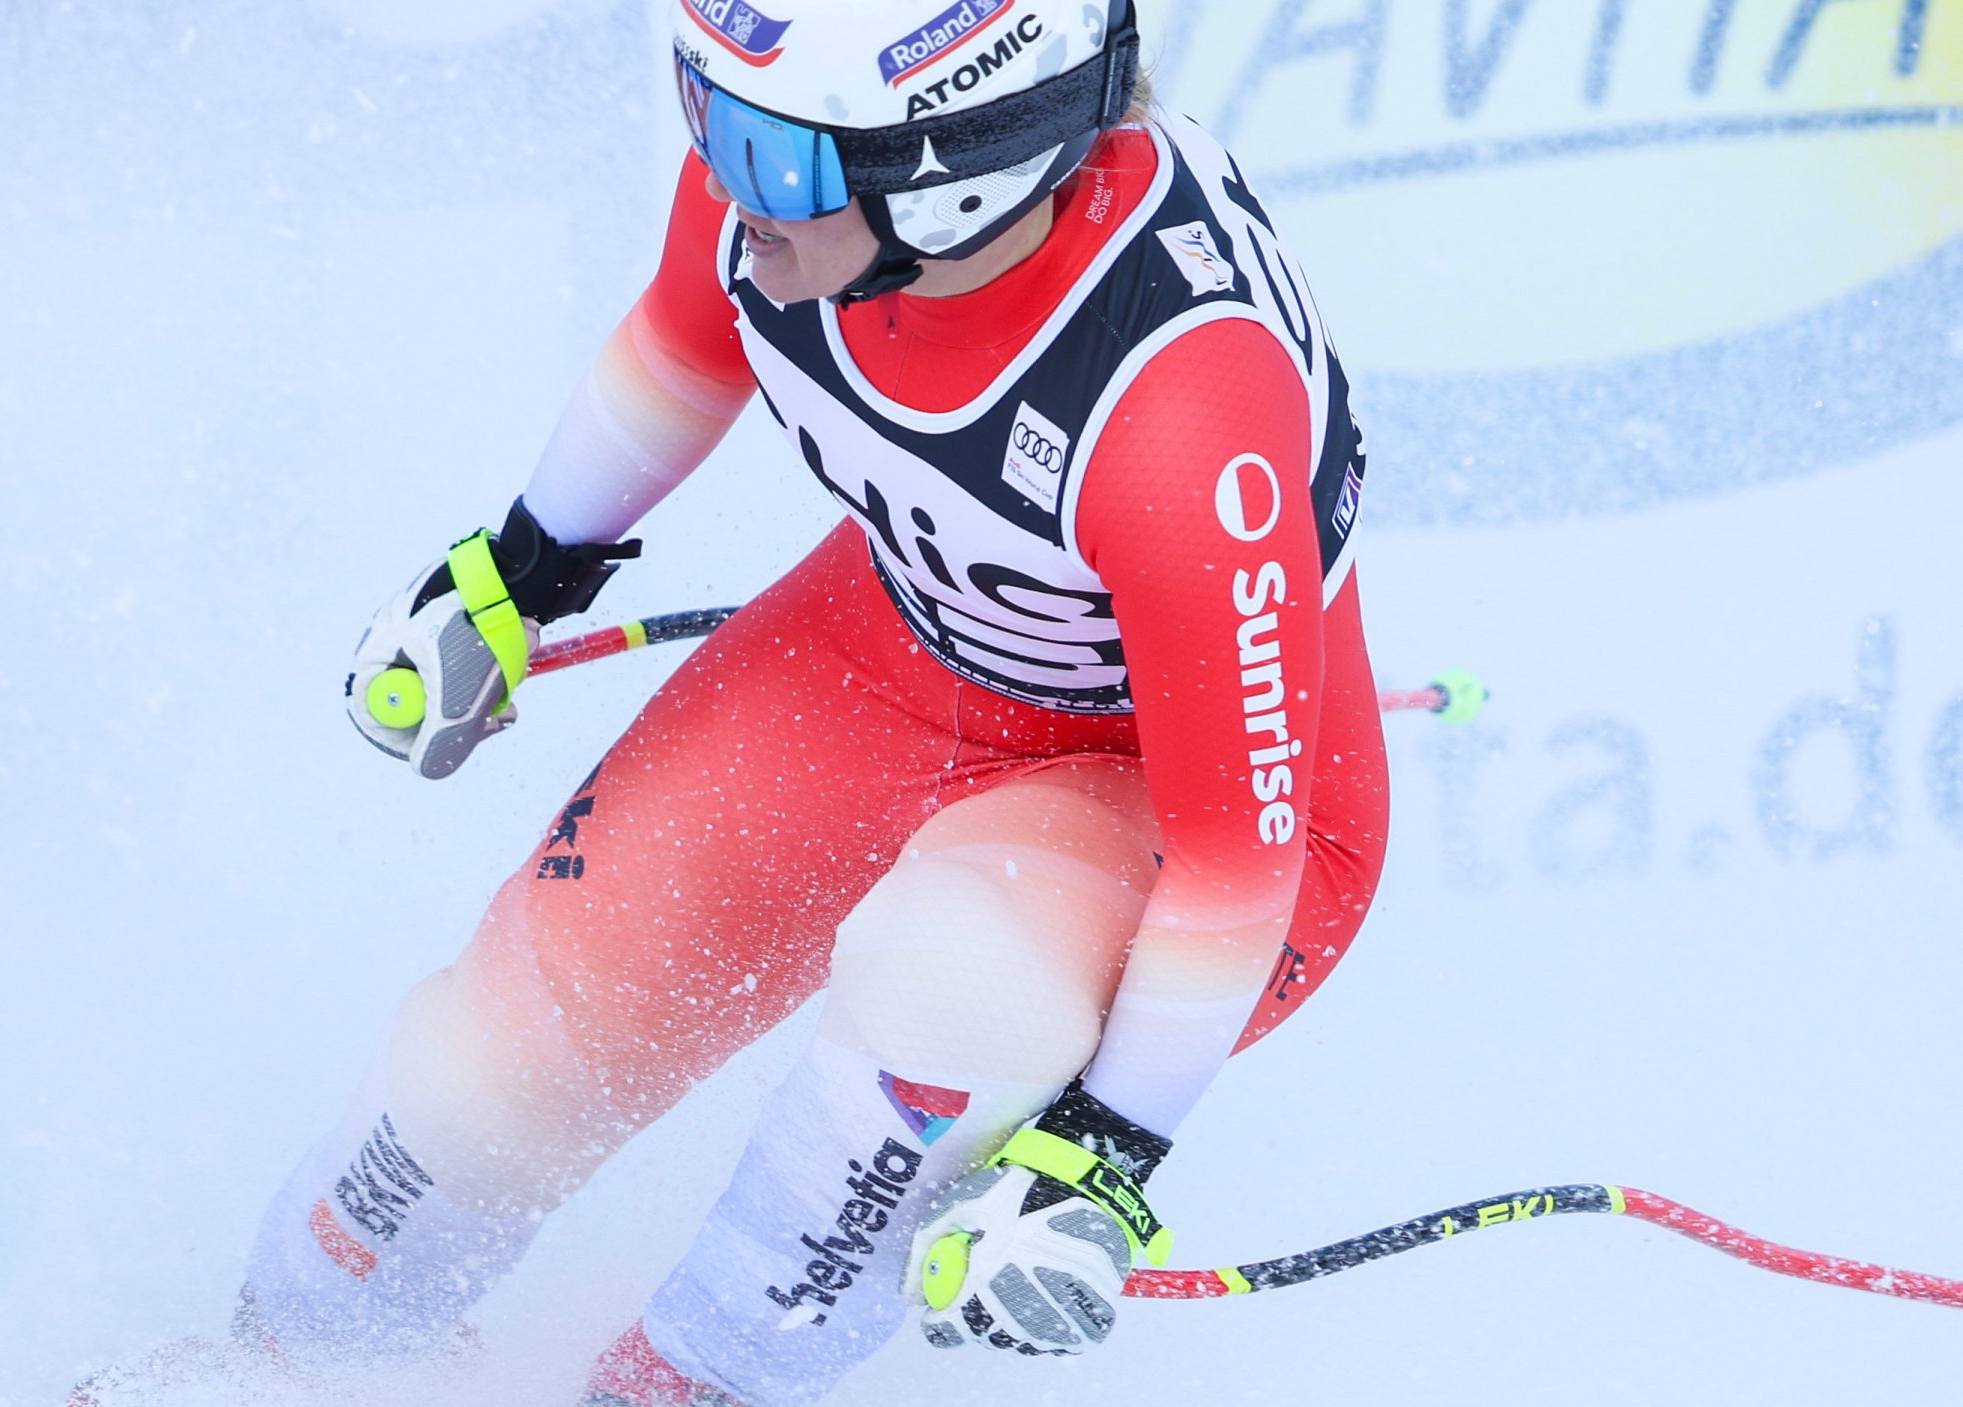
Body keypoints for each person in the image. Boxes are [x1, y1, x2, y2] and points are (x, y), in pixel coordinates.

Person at [239, 3, 1389, 1403]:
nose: (724, 178)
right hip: (893, 655)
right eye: (700, 107)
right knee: (482, 1079)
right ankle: (280, 1366)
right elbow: (682, 343)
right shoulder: (803, 181)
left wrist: (1101, 1158)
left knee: (945, 995)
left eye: (769, 155)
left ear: (956, 168)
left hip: (1178, 803)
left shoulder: (1180, 419)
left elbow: (1236, 862)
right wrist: (516, 575)